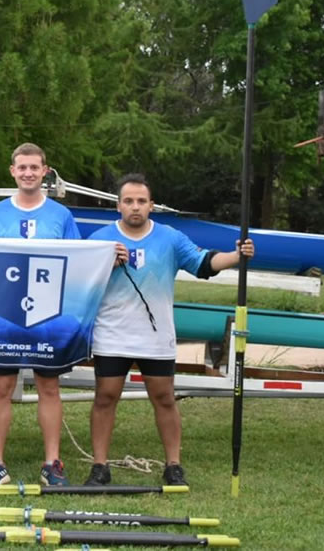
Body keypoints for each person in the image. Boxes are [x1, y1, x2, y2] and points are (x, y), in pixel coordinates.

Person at [84, 173, 254, 487]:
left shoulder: (170, 238)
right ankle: (99, 467)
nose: (135, 207)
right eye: (128, 201)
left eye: (141, 201)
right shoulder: (99, 239)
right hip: (112, 334)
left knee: (163, 397)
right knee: (106, 396)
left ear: (151, 205)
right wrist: (106, 264)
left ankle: (173, 465)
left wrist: (236, 256)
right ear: (118, 205)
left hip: (156, 335)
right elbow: (82, 284)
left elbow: (203, 264)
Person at [0, 142, 81, 487]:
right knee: (2, 385)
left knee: (49, 386)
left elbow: (79, 260)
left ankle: (52, 463)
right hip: (4, 313)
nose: (28, 173)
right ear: (12, 171)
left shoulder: (61, 216)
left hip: (48, 314)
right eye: (22, 167)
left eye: (34, 167)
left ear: (45, 171)